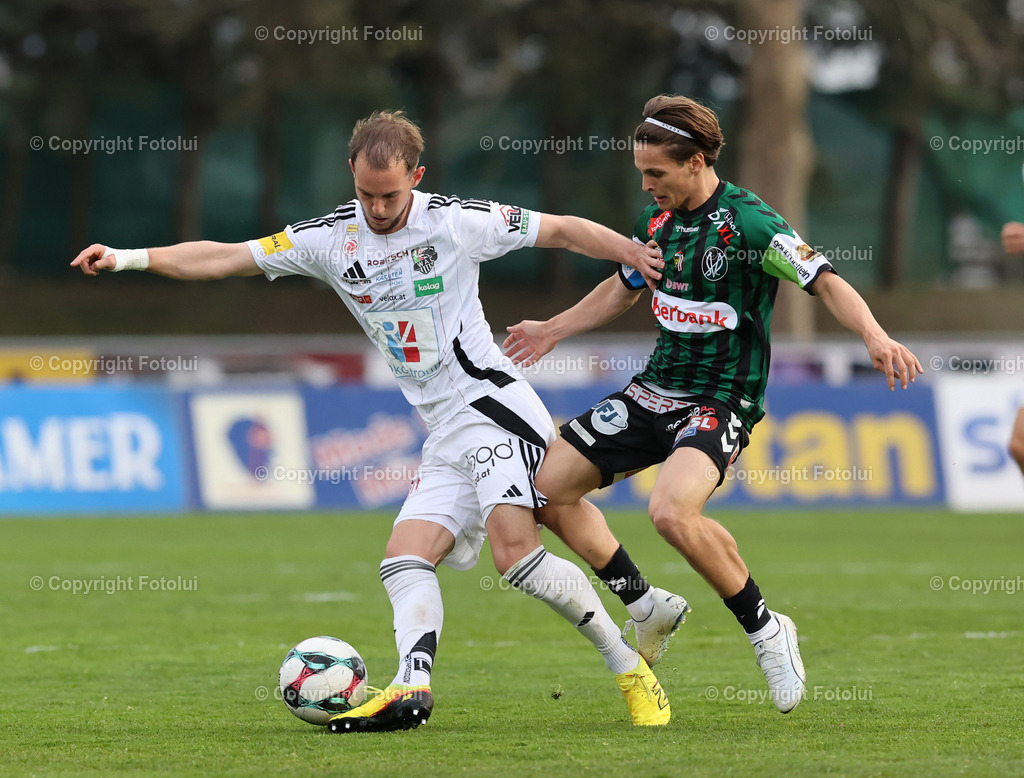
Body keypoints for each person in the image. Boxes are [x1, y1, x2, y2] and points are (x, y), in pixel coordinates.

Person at [71, 110, 688, 731]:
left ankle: (632, 671)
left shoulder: (455, 221)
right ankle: (411, 688)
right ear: (352, 176)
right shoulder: (327, 238)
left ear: (416, 177)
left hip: (493, 406)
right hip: (443, 427)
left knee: (515, 557)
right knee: (403, 558)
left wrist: (630, 251)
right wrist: (127, 258)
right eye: (367, 193)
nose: (379, 207)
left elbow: (560, 229)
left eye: (391, 194)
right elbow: (224, 257)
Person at [504, 94, 924, 714]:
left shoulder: (753, 226)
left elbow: (826, 280)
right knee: (545, 490)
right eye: (641, 174)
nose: (647, 187)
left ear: (696, 161)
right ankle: (646, 604)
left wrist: (874, 334)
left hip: (720, 400)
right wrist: (553, 330)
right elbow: (623, 289)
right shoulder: (658, 221)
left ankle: (766, 629)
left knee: (671, 513)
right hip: (652, 390)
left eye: (657, 175)